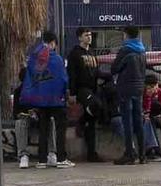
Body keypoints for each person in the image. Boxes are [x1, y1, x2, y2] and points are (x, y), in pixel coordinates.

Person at [15, 31, 70, 169]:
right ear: (52, 43)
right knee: (60, 127)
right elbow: (63, 79)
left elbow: (30, 79)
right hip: (56, 100)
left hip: (40, 100)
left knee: (43, 128)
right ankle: (61, 158)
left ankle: (41, 160)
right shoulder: (57, 59)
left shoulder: (33, 59)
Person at [112, 28, 149, 165]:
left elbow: (114, 68)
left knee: (127, 122)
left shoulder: (125, 50)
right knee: (138, 121)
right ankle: (142, 155)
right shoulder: (142, 50)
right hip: (139, 88)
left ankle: (129, 153)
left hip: (126, 88)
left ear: (126, 35)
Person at [68, 29, 101, 162]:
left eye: (90, 35)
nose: (89, 37)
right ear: (79, 38)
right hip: (82, 89)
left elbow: (96, 71)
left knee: (92, 121)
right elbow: (72, 74)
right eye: (86, 35)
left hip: (93, 89)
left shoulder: (92, 52)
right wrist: (72, 93)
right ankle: (83, 120)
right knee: (95, 106)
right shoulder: (74, 54)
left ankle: (91, 153)